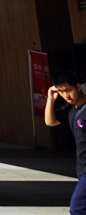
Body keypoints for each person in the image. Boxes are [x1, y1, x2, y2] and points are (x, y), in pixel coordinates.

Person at [46, 70, 86, 215]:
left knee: (77, 208)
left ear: (78, 87)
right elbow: (50, 121)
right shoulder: (71, 109)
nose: (66, 95)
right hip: (81, 168)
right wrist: (51, 99)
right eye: (62, 92)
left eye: (69, 90)